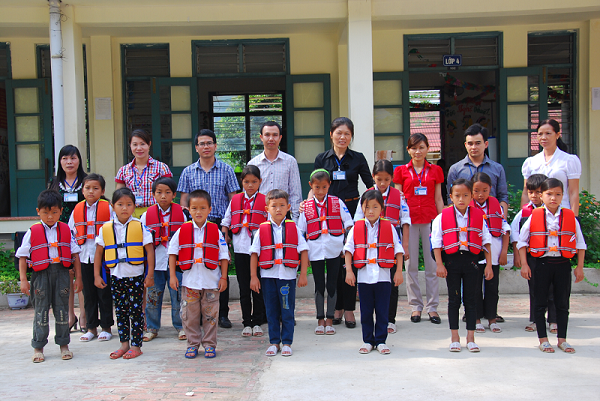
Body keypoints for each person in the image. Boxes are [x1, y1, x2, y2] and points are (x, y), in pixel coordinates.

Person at [313, 117, 374, 328]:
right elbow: (315, 186)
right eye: (338, 133)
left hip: (351, 211)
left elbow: (370, 185)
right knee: (333, 263)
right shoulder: (322, 159)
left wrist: (369, 210)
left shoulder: (357, 158)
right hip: (327, 214)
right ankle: (335, 307)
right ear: (331, 134)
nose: (342, 137)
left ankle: (349, 309)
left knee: (350, 261)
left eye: (347, 134)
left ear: (351, 137)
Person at [177, 129, 240, 329]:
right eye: (201, 143)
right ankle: (198, 314)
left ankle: (222, 314)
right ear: (196, 147)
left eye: (209, 143)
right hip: (194, 225)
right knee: (197, 265)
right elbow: (184, 201)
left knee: (220, 265)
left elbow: (233, 200)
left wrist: (227, 228)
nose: (206, 147)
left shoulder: (226, 169)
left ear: (215, 146)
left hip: (218, 224)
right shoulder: (188, 171)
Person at [518, 178, 586, 353]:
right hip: (541, 264)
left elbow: (580, 244)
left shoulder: (570, 216)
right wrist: (525, 265)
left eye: (558, 194)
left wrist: (579, 267)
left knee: (562, 303)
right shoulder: (534, 215)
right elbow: (521, 242)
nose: (553, 198)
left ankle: (562, 339)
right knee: (540, 302)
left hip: (562, 264)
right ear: (541, 195)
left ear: (563, 196)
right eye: (549, 194)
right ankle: (543, 339)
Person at [16, 189, 83, 363]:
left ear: (61, 211)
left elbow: (75, 256)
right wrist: (24, 279)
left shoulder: (66, 230)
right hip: (40, 275)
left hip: (61, 273)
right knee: (41, 312)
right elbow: (23, 257)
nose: (50, 217)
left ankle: (64, 345)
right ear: (38, 212)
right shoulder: (33, 231)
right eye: (46, 213)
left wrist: (79, 278)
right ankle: (38, 347)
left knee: (62, 311)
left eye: (54, 212)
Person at [432, 178, 493, 353]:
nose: (461, 199)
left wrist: (488, 265)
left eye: (465, 195)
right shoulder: (441, 218)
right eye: (457, 195)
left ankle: (471, 338)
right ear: (450, 197)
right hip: (452, 261)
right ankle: (454, 338)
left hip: (472, 261)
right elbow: (436, 243)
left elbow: (486, 242)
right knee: (454, 299)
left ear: (471, 197)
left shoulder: (478, 217)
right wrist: (439, 264)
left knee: (471, 299)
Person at [168, 190, 230, 359]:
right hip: (190, 283)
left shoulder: (215, 231)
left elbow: (224, 255)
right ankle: (192, 344)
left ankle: (210, 344)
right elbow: (172, 252)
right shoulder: (183, 230)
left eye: (203, 208)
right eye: (194, 208)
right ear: (188, 209)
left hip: (211, 283)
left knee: (210, 316)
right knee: (190, 316)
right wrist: (173, 275)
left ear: (210, 209)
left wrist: (223, 277)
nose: (198, 212)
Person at [94, 188, 155, 359]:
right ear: (113, 206)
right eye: (120, 204)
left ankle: (136, 346)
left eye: (129, 204)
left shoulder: (140, 226)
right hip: (116, 276)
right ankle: (124, 344)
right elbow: (98, 252)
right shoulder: (106, 228)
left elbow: (150, 251)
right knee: (120, 311)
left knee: (135, 311)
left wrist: (149, 275)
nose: (124, 208)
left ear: (134, 206)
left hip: (135, 276)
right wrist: (97, 275)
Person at [250, 189, 309, 357]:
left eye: (282, 205)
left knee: (287, 309)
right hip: (268, 277)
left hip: (287, 277)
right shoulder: (261, 230)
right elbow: (254, 254)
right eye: (274, 206)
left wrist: (303, 274)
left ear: (288, 207)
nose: (278, 209)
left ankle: (287, 342)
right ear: (266, 208)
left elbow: (304, 251)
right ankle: (274, 342)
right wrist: (254, 277)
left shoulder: (294, 228)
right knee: (271, 311)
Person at [344, 190, 404, 355]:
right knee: (366, 311)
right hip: (364, 277)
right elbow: (348, 250)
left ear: (382, 208)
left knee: (382, 310)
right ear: (362, 208)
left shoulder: (389, 226)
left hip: (383, 277)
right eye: (367, 207)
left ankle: (381, 340)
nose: (371, 211)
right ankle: (368, 340)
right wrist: (349, 271)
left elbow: (398, 250)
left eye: (375, 207)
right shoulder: (356, 227)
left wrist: (398, 272)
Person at [393, 133, 444, 325]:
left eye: (422, 147)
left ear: (428, 148)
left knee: (432, 265)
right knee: (411, 264)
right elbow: (398, 197)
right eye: (414, 148)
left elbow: (438, 198)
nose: (418, 151)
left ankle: (433, 307)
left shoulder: (436, 170)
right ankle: (415, 306)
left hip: (431, 220)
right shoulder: (401, 171)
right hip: (410, 221)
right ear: (408, 150)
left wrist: (440, 223)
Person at [355, 160, 410, 333]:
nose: (383, 183)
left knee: (392, 282)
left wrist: (405, 245)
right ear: (373, 177)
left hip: (390, 245)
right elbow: (357, 220)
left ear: (392, 179)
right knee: (371, 285)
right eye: (379, 179)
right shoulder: (366, 194)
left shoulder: (399, 195)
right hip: (369, 246)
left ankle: (390, 319)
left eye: (387, 179)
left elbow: (406, 221)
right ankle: (370, 322)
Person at [297, 169, 353, 335]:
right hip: (314, 251)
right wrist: (304, 256)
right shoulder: (305, 207)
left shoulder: (337, 202)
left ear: (329, 185)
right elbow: (301, 233)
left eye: (324, 187)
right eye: (316, 187)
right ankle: (320, 319)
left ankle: (330, 319)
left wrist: (345, 246)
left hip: (335, 250)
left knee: (333, 284)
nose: (320, 191)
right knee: (319, 285)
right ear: (310, 186)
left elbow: (349, 224)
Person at [221, 166, 268, 337]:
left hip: (259, 251)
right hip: (240, 249)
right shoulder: (235, 200)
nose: (250, 185)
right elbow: (226, 220)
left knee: (258, 287)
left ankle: (257, 321)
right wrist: (225, 237)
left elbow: (271, 222)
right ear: (242, 182)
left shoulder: (265, 200)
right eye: (246, 181)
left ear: (260, 182)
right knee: (243, 287)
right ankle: (246, 322)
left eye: (254, 182)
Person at [68, 174, 114, 343]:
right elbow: (71, 233)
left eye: (95, 188)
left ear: (102, 191)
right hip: (84, 257)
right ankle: (91, 327)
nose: (91, 191)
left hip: (103, 258)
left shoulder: (108, 208)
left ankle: (107, 327)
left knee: (104, 293)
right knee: (88, 294)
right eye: (87, 188)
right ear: (82, 190)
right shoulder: (77, 209)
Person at [140, 177, 187, 342]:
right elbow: (143, 240)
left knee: (178, 296)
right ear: (153, 194)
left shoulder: (182, 213)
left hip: (177, 263)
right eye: (159, 192)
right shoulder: (146, 216)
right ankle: (152, 327)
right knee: (153, 296)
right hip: (156, 263)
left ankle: (181, 326)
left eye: (167, 192)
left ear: (174, 194)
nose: (163, 196)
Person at [511, 173, 557, 333]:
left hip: (553, 257)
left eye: (538, 192)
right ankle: (537, 320)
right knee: (536, 289)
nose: (534, 196)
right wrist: (519, 256)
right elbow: (515, 234)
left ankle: (554, 320)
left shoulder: (556, 212)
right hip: (533, 258)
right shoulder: (524, 212)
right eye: (531, 192)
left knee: (553, 289)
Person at [48, 144, 87, 334]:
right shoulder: (54, 183)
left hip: (85, 235)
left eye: (73, 158)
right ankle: (71, 315)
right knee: (68, 275)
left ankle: (85, 316)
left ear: (79, 160)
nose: (69, 162)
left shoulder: (86, 181)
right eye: (65, 158)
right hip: (62, 234)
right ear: (60, 161)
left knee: (83, 276)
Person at [470, 172, 510, 334]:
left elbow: (505, 230)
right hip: (474, 255)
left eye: (484, 190)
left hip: (494, 255)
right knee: (474, 288)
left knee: (492, 288)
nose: (480, 194)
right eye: (477, 190)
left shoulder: (496, 206)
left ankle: (492, 319)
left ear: (490, 189)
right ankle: (477, 318)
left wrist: (504, 252)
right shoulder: (467, 206)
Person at [520, 119, 581, 214]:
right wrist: (523, 216)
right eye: (540, 134)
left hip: (561, 212)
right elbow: (525, 192)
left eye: (548, 133)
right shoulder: (531, 162)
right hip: (536, 214)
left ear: (557, 135)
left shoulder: (569, 160)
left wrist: (574, 218)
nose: (543, 137)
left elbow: (573, 193)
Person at [447, 124, 509, 215]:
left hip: (491, 217)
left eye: (478, 143)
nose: (473, 147)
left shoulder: (497, 169)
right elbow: (451, 199)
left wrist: (502, 220)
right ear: (465, 145)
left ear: (486, 144)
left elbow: (503, 197)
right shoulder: (455, 169)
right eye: (470, 144)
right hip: (465, 220)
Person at [248, 121, 302, 221]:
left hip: (284, 215)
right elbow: (248, 194)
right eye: (267, 135)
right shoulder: (253, 164)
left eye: (275, 135)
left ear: (280, 138)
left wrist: (296, 220)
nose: (271, 138)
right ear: (261, 137)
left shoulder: (290, 161)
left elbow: (295, 193)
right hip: (259, 215)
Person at [115, 129, 173, 218]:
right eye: (135, 144)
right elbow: (119, 195)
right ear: (130, 146)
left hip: (156, 214)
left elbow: (169, 192)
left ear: (149, 144)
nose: (139, 148)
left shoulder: (161, 168)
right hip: (131, 215)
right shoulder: (123, 170)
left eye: (142, 144)